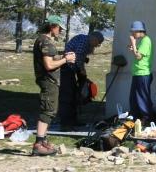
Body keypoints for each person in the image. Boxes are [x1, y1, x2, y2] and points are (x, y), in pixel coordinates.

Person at [32, 15, 76, 156]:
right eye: (59, 28)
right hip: (49, 81)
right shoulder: (45, 42)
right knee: (47, 111)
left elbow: (50, 59)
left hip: (49, 81)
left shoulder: (42, 40)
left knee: (49, 111)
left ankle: (43, 141)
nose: (60, 31)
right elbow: (49, 65)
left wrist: (62, 56)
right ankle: (38, 144)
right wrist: (65, 59)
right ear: (52, 26)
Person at [57, 31, 104, 127]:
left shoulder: (85, 41)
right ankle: (66, 122)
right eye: (98, 44)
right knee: (67, 96)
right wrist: (82, 72)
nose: (97, 46)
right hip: (68, 68)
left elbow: (81, 57)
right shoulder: (84, 41)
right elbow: (78, 59)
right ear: (94, 39)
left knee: (74, 95)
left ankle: (73, 120)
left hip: (72, 69)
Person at [128, 21, 155, 123]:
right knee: (134, 99)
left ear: (139, 31)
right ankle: (137, 120)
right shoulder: (143, 41)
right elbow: (138, 54)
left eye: (133, 32)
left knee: (142, 99)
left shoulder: (146, 40)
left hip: (143, 74)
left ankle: (146, 120)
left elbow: (138, 57)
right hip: (138, 74)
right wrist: (134, 49)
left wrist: (134, 44)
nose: (132, 34)